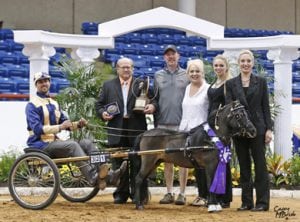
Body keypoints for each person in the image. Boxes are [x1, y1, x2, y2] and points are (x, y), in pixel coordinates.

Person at [26, 72, 126, 190]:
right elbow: (37, 129)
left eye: (46, 81)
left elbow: (66, 124)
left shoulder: (54, 103)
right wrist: (60, 127)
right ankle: (92, 177)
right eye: (41, 82)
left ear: (49, 82)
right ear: (36, 84)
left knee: (87, 142)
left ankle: (109, 174)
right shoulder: (32, 105)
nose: (44, 83)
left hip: (55, 143)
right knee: (72, 145)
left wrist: (78, 124)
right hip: (40, 145)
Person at [96, 57, 151, 204]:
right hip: (116, 128)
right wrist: (103, 113)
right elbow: (99, 105)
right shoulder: (108, 86)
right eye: (123, 67)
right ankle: (121, 193)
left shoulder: (142, 84)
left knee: (138, 162)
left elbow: (153, 100)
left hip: (136, 128)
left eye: (129, 67)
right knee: (118, 163)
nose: (126, 70)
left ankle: (139, 194)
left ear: (133, 68)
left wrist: (152, 107)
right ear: (117, 69)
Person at [225, 49, 273, 212]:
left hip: (258, 129)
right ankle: (246, 202)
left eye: (248, 61)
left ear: (253, 63)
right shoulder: (231, 84)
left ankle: (262, 202)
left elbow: (265, 107)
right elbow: (230, 108)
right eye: (243, 61)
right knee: (244, 167)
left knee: (260, 166)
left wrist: (269, 129)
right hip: (239, 131)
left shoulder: (261, 82)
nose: (245, 64)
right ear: (238, 63)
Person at [145, 45, 189, 205]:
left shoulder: (187, 74)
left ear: (179, 56)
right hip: (162, 123)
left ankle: (182, 193)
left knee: (184, 159)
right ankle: (169, 192)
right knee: (167, 160)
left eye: (173, 54)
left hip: (182, 124)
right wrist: (152, 106)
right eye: (167, 55)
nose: (170, 57)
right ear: (164, 58)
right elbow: (155, 98)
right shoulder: (157, 75)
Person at [191, 55, 233, 208]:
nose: (218, 68)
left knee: (221, 160)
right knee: (211, 160)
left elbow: (229, 106)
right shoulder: (215, 83)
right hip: (210, 123)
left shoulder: (229, 84)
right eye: (216, 66)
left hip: (220, 126)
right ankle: (211, 196)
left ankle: (223, 197)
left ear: (226, 67)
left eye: (221, 66)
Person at [178, 59, 210, 206]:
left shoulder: (208, 89)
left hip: (202, 132)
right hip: (186, 131)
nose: (194, 74)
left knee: (202, 165)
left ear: (202, 73)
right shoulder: (187, 88)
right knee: (195, 165)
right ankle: (200, 194)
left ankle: (206, 195)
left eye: (197, 71)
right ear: (187, 73)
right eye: (192, 71)